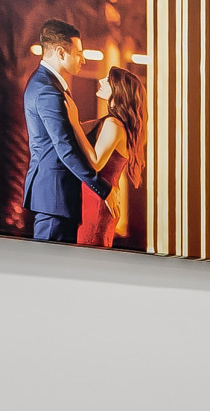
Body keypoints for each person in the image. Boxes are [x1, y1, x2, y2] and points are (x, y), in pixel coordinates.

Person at [21, 19, 111, 243]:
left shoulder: (47, 84)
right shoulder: (47, 90)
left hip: (56, 198)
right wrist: (102, 188)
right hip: (55, 198)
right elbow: (65, 148)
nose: (83, 59)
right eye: (79, 52)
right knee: (49, 270)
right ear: (61, 52)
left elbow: (66, 134)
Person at [80, 62, 148, 249]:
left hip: (97, 203)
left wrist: (70, 116)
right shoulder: (108, 122)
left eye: (108, 80)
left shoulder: (114, 124)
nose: (101, 80)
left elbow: (95, 163)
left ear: (119, 91)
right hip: (96, 201)